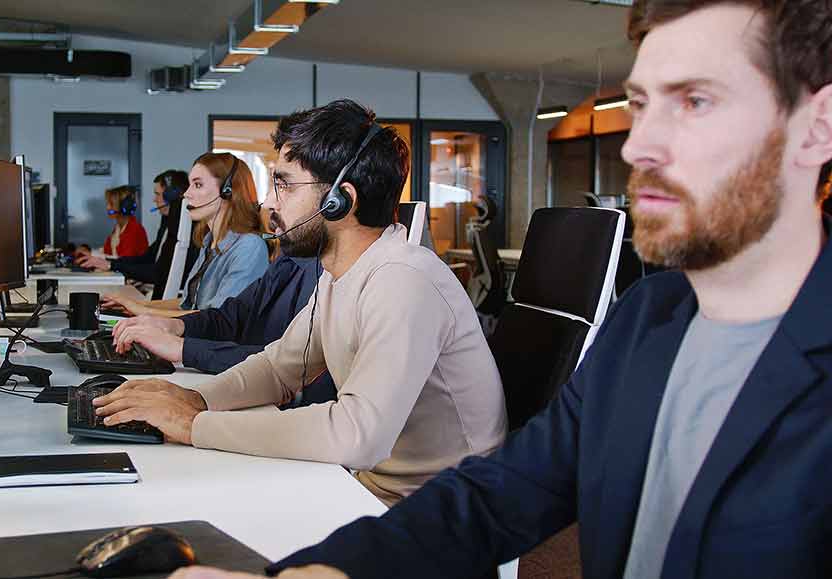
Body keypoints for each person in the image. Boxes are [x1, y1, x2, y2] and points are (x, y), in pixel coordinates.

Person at [172, 1, 832, 577]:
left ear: (819, 127)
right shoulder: (648, 320)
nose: (641, 145)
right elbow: (497, 495)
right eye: (639, 105)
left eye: (695, 100)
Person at [93, 99, 507, 507]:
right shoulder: (340, 275)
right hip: (367, 486)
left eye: (284, 184)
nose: (269, 204)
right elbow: (279, 368)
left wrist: (194, 425)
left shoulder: (403, 280)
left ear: (340, 200)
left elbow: (355, 435)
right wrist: (193, 400)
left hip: (439, 510)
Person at [110, 252, 337, 405]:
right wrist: (176, 326)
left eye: (285, 185)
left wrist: (183, 349)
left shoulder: (333, 276)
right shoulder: (289, 260)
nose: (268, 203)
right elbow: (231, 316)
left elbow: (289, 365)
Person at [105, 154, 269, 315]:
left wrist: (142, 311)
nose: (186, 194)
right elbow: (186, 304)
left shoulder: (249, 247)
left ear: (227, 191)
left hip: (210, 341)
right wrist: (135, 305)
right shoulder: (208, 241)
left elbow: (216, 320)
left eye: (197, 185)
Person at [80, 171, 188, 298]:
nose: (154, 199)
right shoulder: (166, 224)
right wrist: (106, 261)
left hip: (159, 294)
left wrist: (110, 264)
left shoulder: (179, 230)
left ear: (172, 197)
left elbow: (158, 272)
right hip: (151, 288)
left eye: (157, 194)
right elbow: (147, 257)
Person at [102, 185, 149, 258]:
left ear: (124, 206)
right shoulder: (118, 228)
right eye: (108, 203)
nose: (107, 207)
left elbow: (125, 261)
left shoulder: (134, 229)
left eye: (111, 204)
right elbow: (107, 251)